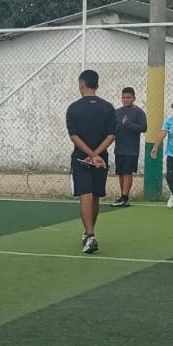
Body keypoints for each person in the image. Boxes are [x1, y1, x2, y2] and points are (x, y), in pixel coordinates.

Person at [66, 69, 117, 254]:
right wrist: (97, 154)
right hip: (101, 159)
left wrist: (90, 154)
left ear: (81, 85)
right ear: (97, 85)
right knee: (94, 195)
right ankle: (89, 234)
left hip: (81, 158)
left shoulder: (73, 108)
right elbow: (111, 135)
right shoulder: (108, 107)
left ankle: (89, 234)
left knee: (86, 194)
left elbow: (74, 136)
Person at [110, 87, 148, 207]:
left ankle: (125, 197)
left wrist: (129, 124)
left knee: (127, 172)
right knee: (121, 173)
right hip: (119, 148)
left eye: (128, 97)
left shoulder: (139, 112)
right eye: (123, 97)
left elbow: (144, 128)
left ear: (134, 98)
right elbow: (112, 127)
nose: (125, 100)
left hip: (131, 149)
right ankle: (122, 196)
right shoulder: (117, 112)